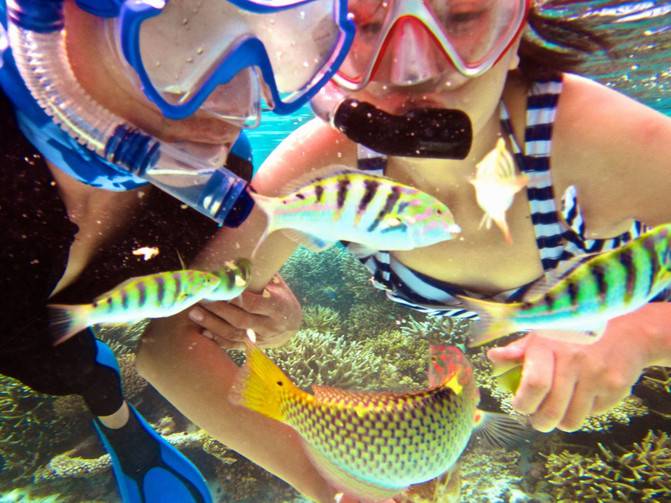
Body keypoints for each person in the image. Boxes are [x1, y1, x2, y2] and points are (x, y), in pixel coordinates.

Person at [136, 0, 671, 500]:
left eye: (461, 14)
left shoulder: (602, 145)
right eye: (368, 23)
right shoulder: (321, 178)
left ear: (517, 25)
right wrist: (337, 488)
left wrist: (635, 333)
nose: (412, 69)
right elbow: (169, 345)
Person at [0, 0, 354, 501]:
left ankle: (114, 415)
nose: (237, 103)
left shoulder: (221, 173)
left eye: (278, 48)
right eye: (188, 35)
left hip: (70, 319)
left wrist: (272, 314)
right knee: (48, 359)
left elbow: (208, 286)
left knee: (67, 368)